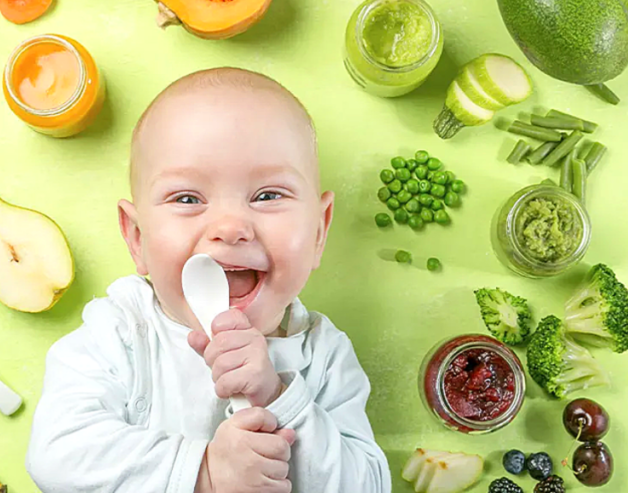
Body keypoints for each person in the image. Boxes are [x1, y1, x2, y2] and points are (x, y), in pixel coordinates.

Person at [27, 67, 391, 492]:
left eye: (268, 195)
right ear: (138, 237)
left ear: (317, 233)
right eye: (187, 198)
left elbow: (369, 485)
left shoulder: (324, 356)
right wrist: (205, 472)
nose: (231, 226)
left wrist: (277, 397)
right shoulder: (118, 333)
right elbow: (56, 455)